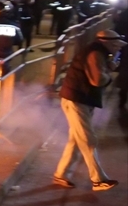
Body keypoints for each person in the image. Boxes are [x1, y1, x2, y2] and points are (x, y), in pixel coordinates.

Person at [52, 30, 124, 191]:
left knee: (76, 139)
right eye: (116, 45)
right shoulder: (95, 54)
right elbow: (97, 80)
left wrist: (107, 67)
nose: (118, 49)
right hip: (77, 100)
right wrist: (109, 71)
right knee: (88, 139)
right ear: (108, 43)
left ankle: (61, 174)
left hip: (80, 99)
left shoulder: (97, 52)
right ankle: (98, 180)